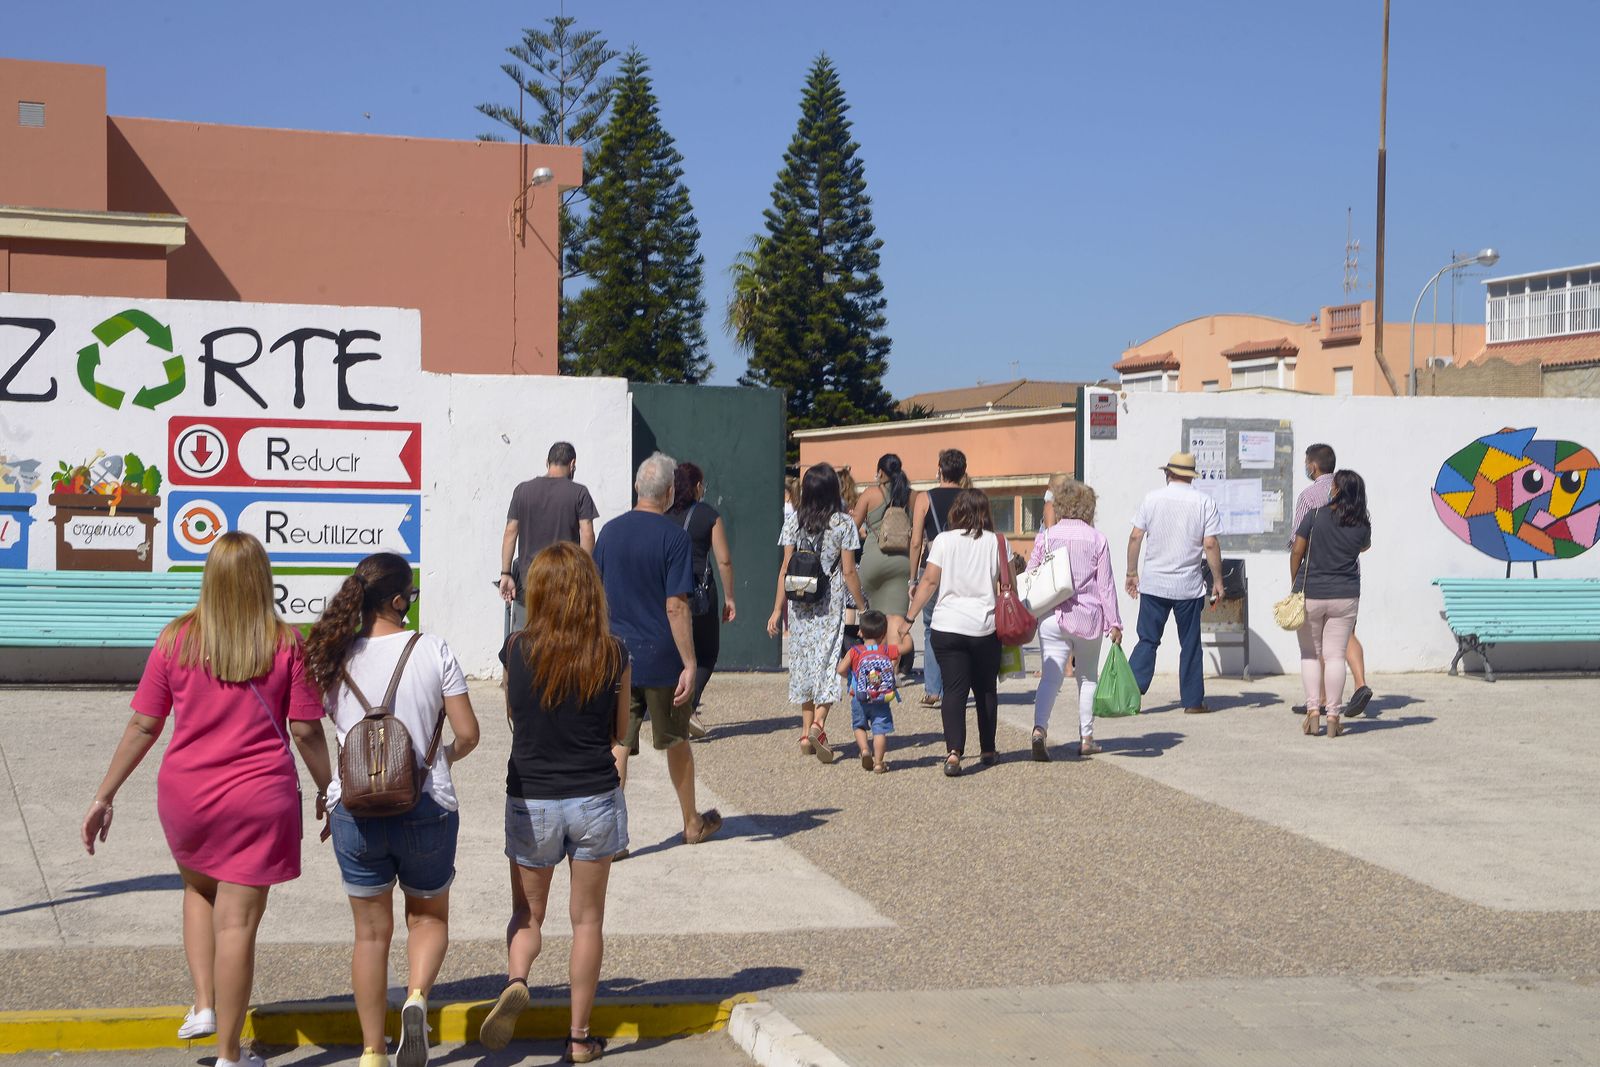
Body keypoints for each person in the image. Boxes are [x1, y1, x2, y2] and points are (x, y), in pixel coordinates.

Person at [79, 532, 332, 1067]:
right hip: (259, 798)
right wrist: (327, 788)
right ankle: (228, 1058)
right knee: (237, 923)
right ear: (263, 579)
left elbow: (145, 725)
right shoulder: (286, 643)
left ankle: (203, 1005)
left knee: (198, 887)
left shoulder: (176, 640)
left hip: (187, 796)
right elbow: (307, 731)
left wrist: (105, 795)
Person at [305, 553, 481, 1067]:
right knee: (426, 917)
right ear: (400, 600)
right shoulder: (433, 649)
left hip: (354, 810)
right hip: (426, 802)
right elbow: (468, 733)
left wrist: (329, 786)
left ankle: (371, 1051)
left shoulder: (334, 656)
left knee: (370, 933)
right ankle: (417, 998)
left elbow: (308, 728)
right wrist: (439, 758)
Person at [478, 543, 632, 1063]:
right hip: (593, 794)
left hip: (531, 796)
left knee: (528, 913)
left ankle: (517, 978)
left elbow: (514, 718)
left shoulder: (515, 648)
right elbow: (621, 734)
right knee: (587, 921)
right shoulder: (613, 652)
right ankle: (579, 1038)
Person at [593, 452, 721, 845]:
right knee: (676, 740)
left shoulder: (609, 533)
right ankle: (691, 822)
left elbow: (596, 596)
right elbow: (676, 605)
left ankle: (612, 837)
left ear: (637, 488)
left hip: (616, 656)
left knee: (618, 743)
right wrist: (690, 661)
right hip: (662, 658)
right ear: (669, 492)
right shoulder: (674, 537)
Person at [766, 461, 867, 763]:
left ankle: (803, 732)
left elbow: (785, 568)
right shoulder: (843, 524)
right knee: (827, 665)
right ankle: (819, 724)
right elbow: (849, 571)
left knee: (804, 665)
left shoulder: (793, 521)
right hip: (830, 602)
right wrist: (862, 605)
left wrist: (776, 610)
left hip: (799, 604)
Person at [905, 488, 1007, 777]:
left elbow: (929, 581)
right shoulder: (997, 542)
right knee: (986, 689)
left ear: (957, 512)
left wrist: (909, 617)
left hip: (947, 625)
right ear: (986, 512)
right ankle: (987, 749)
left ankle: (953, 753)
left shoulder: (943, 541)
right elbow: (1009, 583)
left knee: (954, 690)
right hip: (984, 626)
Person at [1029, 475, 1123, 762]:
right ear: (1089, 508)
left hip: (1052, 615)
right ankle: (1086, 737)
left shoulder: (1047, 536)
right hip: (1088, 616)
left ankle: (1039, 729)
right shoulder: (1097, 539)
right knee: (1087, 678)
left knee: (1050, 678)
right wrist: (1114, 622)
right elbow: (1106, 585)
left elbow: (1032, 573)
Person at [1125, 453, 1224, 714]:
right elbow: (1210, 543)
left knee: (1147, 640)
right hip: (1187, 586)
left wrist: (1131, 572)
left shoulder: (1151, 499)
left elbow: (1136, 537)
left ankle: (1130, 695)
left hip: (1154, 584)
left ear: (1168, 473)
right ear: (1191, 476)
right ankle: (1192, 702)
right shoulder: (1205, 502)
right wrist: (1217, 580)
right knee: (1190, 644)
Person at [1290, 443, 1372, 717]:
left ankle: (1319, 702)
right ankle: (1359, 685)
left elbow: (1297, 546)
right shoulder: (1356, 508)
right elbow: (1363, 545)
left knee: (1314, 650)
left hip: (1314, 580)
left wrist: (1295, 584)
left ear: (1312, 466)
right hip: (1347, 580)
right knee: (1343, 640)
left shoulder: (1309, 499)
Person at [664, 461, 737, 738]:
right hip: (700, 591)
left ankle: (673, 706)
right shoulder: (708, 515)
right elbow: (724, 560)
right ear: (696, 487)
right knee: (706, 652)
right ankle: (689, 706)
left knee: (675, 652)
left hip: (668, 590)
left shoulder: (662, 514)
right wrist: (730, 597)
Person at [500, 441, 600, 627]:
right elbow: (587, 533)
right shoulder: (579, 493)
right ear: (572, 464)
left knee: (530, 638)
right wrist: (585, 572)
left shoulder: (522, 490)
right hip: (566, 580)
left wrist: (506, 573)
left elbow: (510, 532)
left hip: (531, 581)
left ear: (547, 462)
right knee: (563, 639)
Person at [907, 449, 967, 709]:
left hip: (931, 566)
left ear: (940, 469)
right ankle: (957, 685)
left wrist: (912, 579)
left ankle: (933, 689)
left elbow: (916, 541)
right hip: (963, 567)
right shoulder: (970, 498)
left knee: (931, 626)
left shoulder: (924, 498)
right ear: (963, 472)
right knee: (961, 625)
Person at [851, 453, 915, 660]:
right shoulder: (910, 496)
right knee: (895, 620)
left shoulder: (870, 494)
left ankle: (874, 667)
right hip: (901, 562)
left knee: (878, 620)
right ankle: (891, 670)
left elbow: (852, 529)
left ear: (880, 472)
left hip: (873, 560)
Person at [836, 609, 899, 773]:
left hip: (860, 696)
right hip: (881, 697)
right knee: (880, 730)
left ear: (860, 632)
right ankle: (878, 763)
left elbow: (840, 669)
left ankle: (864, 750)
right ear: (883, 633)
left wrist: (851, 677)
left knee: (859, 726)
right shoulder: (886, 650)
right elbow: (898, 655)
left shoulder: (855, 651)